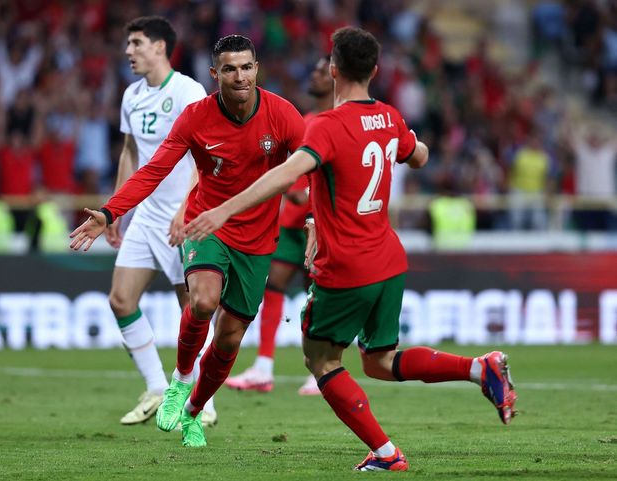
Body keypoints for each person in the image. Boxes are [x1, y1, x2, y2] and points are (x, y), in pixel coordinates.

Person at [184, 27, 517, 471]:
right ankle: (480, 368)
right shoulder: (391, 117)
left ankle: (386, 453)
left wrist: (223, 209)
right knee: (380, 361)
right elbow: (418, 156)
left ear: (334, 70)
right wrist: (414, 143)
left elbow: (286, 176)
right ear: (375, 70)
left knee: (320, 359)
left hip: (347, 266)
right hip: (389, 260)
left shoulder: (325, 126)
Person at [69, 35, 306, 447]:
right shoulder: (196, 117)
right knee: (202, 301)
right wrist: (110, 212)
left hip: (257, 239)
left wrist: (317, 219)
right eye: (229, 69)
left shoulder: (283, 115)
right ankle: (179, 380)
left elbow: (316, 168)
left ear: (257, 69)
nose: (239, 76)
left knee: (230, 337)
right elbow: (153, 169)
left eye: (246, 67)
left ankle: (195, 409)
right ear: (215, 75)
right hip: (206, 225)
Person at [101, 16, 217, 426]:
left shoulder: (189, 91)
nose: (128, 51)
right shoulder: (131, 95)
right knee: (120, 300)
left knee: (192, 309)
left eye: (135, 43)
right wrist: (117, 210)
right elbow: (129, 153)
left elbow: (204, 156)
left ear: (159, 47)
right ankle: (156, 386)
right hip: (147, 215)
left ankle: (203, 403)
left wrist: (186, 208)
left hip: (184, 214)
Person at [225, 56, 334, 396]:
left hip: (324, 222)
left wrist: (308, 196)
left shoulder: (337, 121)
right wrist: (295, 192)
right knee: (273, 285)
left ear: (336, 77)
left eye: (320, 71)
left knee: (318, 292)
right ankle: (263, 367)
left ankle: (323, 368)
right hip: (292, 222)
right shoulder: (305, 119)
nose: (313, 75)